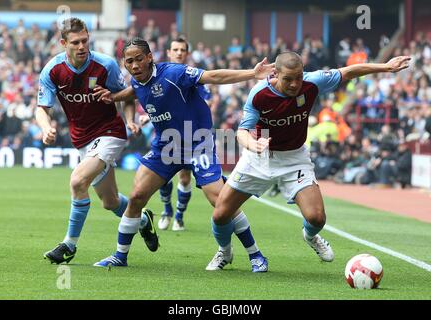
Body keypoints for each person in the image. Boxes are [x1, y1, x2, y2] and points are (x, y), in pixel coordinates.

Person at [208, 51, 410, 268]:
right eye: (288, 79)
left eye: (298, 77)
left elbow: (349, 71)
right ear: (275, 73)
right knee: (220, 214)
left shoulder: (313, 82)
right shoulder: (259, 94)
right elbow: (242, 132)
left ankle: (311, 236)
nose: (295, 84)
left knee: (317, 218)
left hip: (294, 158)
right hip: (259, 157)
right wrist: (252, 144)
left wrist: (386, 67)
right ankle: (225, 252)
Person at [92, 37, 274, 272]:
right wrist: (114, 97)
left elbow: (214, 76)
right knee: (137, 196)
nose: (135, 65)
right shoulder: (136, 81)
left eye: (139, 59)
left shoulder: (175, 73)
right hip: (166, 147)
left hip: (197, 143)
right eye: (130, 61)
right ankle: (120, 256)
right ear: (125, 64)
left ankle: (255, 255)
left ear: (150, 58)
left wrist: (252, 73)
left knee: (220, 202)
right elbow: (134, 91)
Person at [36, 18, 158, 265]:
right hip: (82, 140)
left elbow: (125, 96)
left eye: (85, 40)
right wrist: (46, 127)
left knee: (78, 180)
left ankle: (69, 245)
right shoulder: (52, 70)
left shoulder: (105, 65)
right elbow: (42, 108)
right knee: (110, 202)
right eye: (75, 42)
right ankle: (144, 221)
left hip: (110, 133)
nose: (82, 46)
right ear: (63, 43)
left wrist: (131, 120)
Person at [156, 37, 212, 232]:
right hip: (165, 133)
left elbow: (206, 101)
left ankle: (179, 216)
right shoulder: (159, 75)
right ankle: (166, 211)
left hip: (189, 135)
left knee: (185, 178)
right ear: (169, 52)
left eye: (182, 50)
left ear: (187, 54)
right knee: (162, 177)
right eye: (175, 49)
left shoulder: (196, 77)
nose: (179, 53)